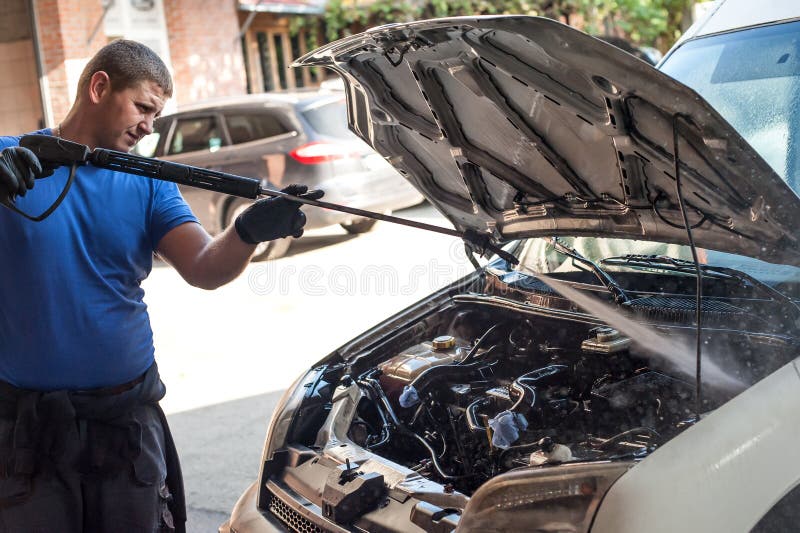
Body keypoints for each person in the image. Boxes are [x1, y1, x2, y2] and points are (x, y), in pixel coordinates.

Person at [0, 40, 322, 532]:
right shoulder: (8, 163)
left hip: (124, 422)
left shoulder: (149, 182)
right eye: (144, 107)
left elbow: (203, 267)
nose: (150, 125)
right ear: (100, 86)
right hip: (27, 431)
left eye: (156, 113)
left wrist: (246, 231)